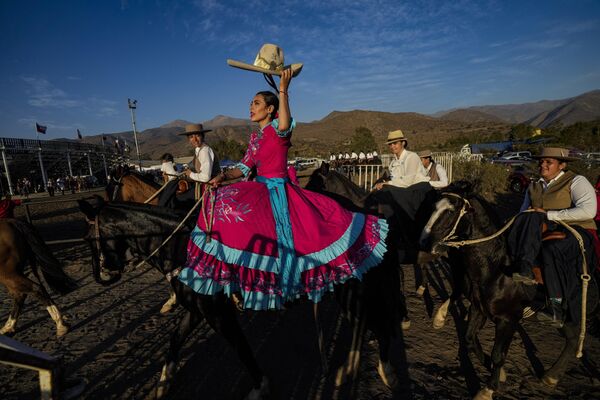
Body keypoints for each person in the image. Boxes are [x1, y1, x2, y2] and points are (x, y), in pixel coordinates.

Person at [178, 46, 388, 310]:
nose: (250, 107)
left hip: (279, 192)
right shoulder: (255, 138)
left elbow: (286, 120)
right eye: (251, 103)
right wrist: (220, 177)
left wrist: (283, 89)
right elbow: (243, 168)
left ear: (270, 110)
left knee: (289, 238)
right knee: (220, 202)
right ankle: (237, 278)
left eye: (255, 103)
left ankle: (285, 284)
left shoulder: (280, 129)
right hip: (259, 188)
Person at [509, 147, 598, 327]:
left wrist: (549, 214)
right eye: (541, 161)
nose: (543, 165)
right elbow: (523, 213)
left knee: (552, 250)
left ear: (562, 165)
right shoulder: (534, 186)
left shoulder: (576, 181)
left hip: (576, 230)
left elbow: (589, 210)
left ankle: (556, 308)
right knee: (523, 223)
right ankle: (524, 272)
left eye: (549, 162)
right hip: (543, 230)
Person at [368, 129, 434, 260]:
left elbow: (408, 181)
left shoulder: (412, 157)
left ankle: (406, 236)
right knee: (381, 194)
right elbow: (396, 181)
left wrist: (387, 184)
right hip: (404, 189)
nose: (392, 146)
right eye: (390, 144)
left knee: (388, 192)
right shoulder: (393, 162)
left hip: (418, 189)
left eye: (395, 143)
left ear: (403, 143)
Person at [158, 124, 219, 209]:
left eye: (197, 136)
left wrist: (190, 174)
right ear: (188, 139)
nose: (194, 140)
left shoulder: (204, 151)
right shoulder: (198, 150)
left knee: (177, 198)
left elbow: (205, 177)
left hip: (209, 185)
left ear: (202, 136)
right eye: (191, 137)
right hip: (202, 184)